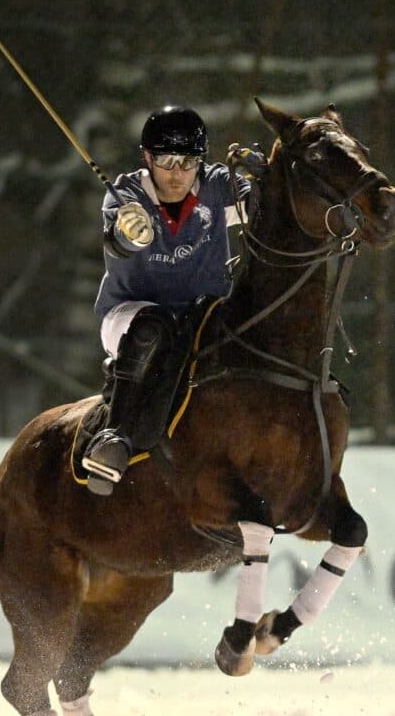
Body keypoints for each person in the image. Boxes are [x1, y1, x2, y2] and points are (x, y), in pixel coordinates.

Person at [80, 106, 265, 495]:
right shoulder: (127, 193)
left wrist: (268, 177)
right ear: (148, 157)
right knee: (156, 328)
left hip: (200, 317)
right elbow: (119, 240)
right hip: (131, 319)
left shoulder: (216, 186)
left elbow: (261, 210)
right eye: (166, 161)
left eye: (188, 161)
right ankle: (115, 438)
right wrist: (129, 231)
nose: (178, 173)